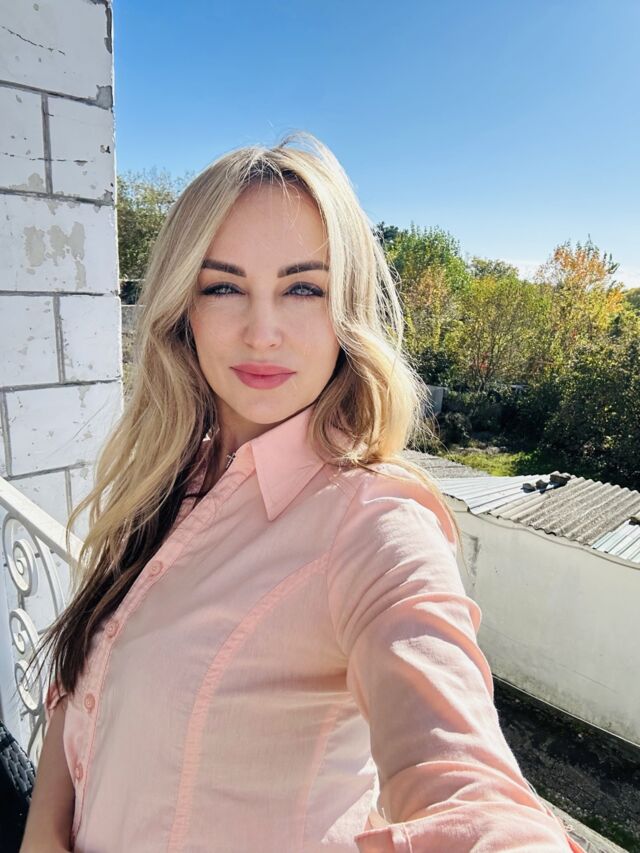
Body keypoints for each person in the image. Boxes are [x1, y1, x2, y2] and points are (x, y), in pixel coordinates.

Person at [20, 132, 586, 852]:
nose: (263, 333)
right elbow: (85, 686)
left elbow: (468, 784)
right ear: (184, 308)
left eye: (303, 288)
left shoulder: (374, 521)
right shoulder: (166, 478)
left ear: (347, 308)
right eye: (223, 286)